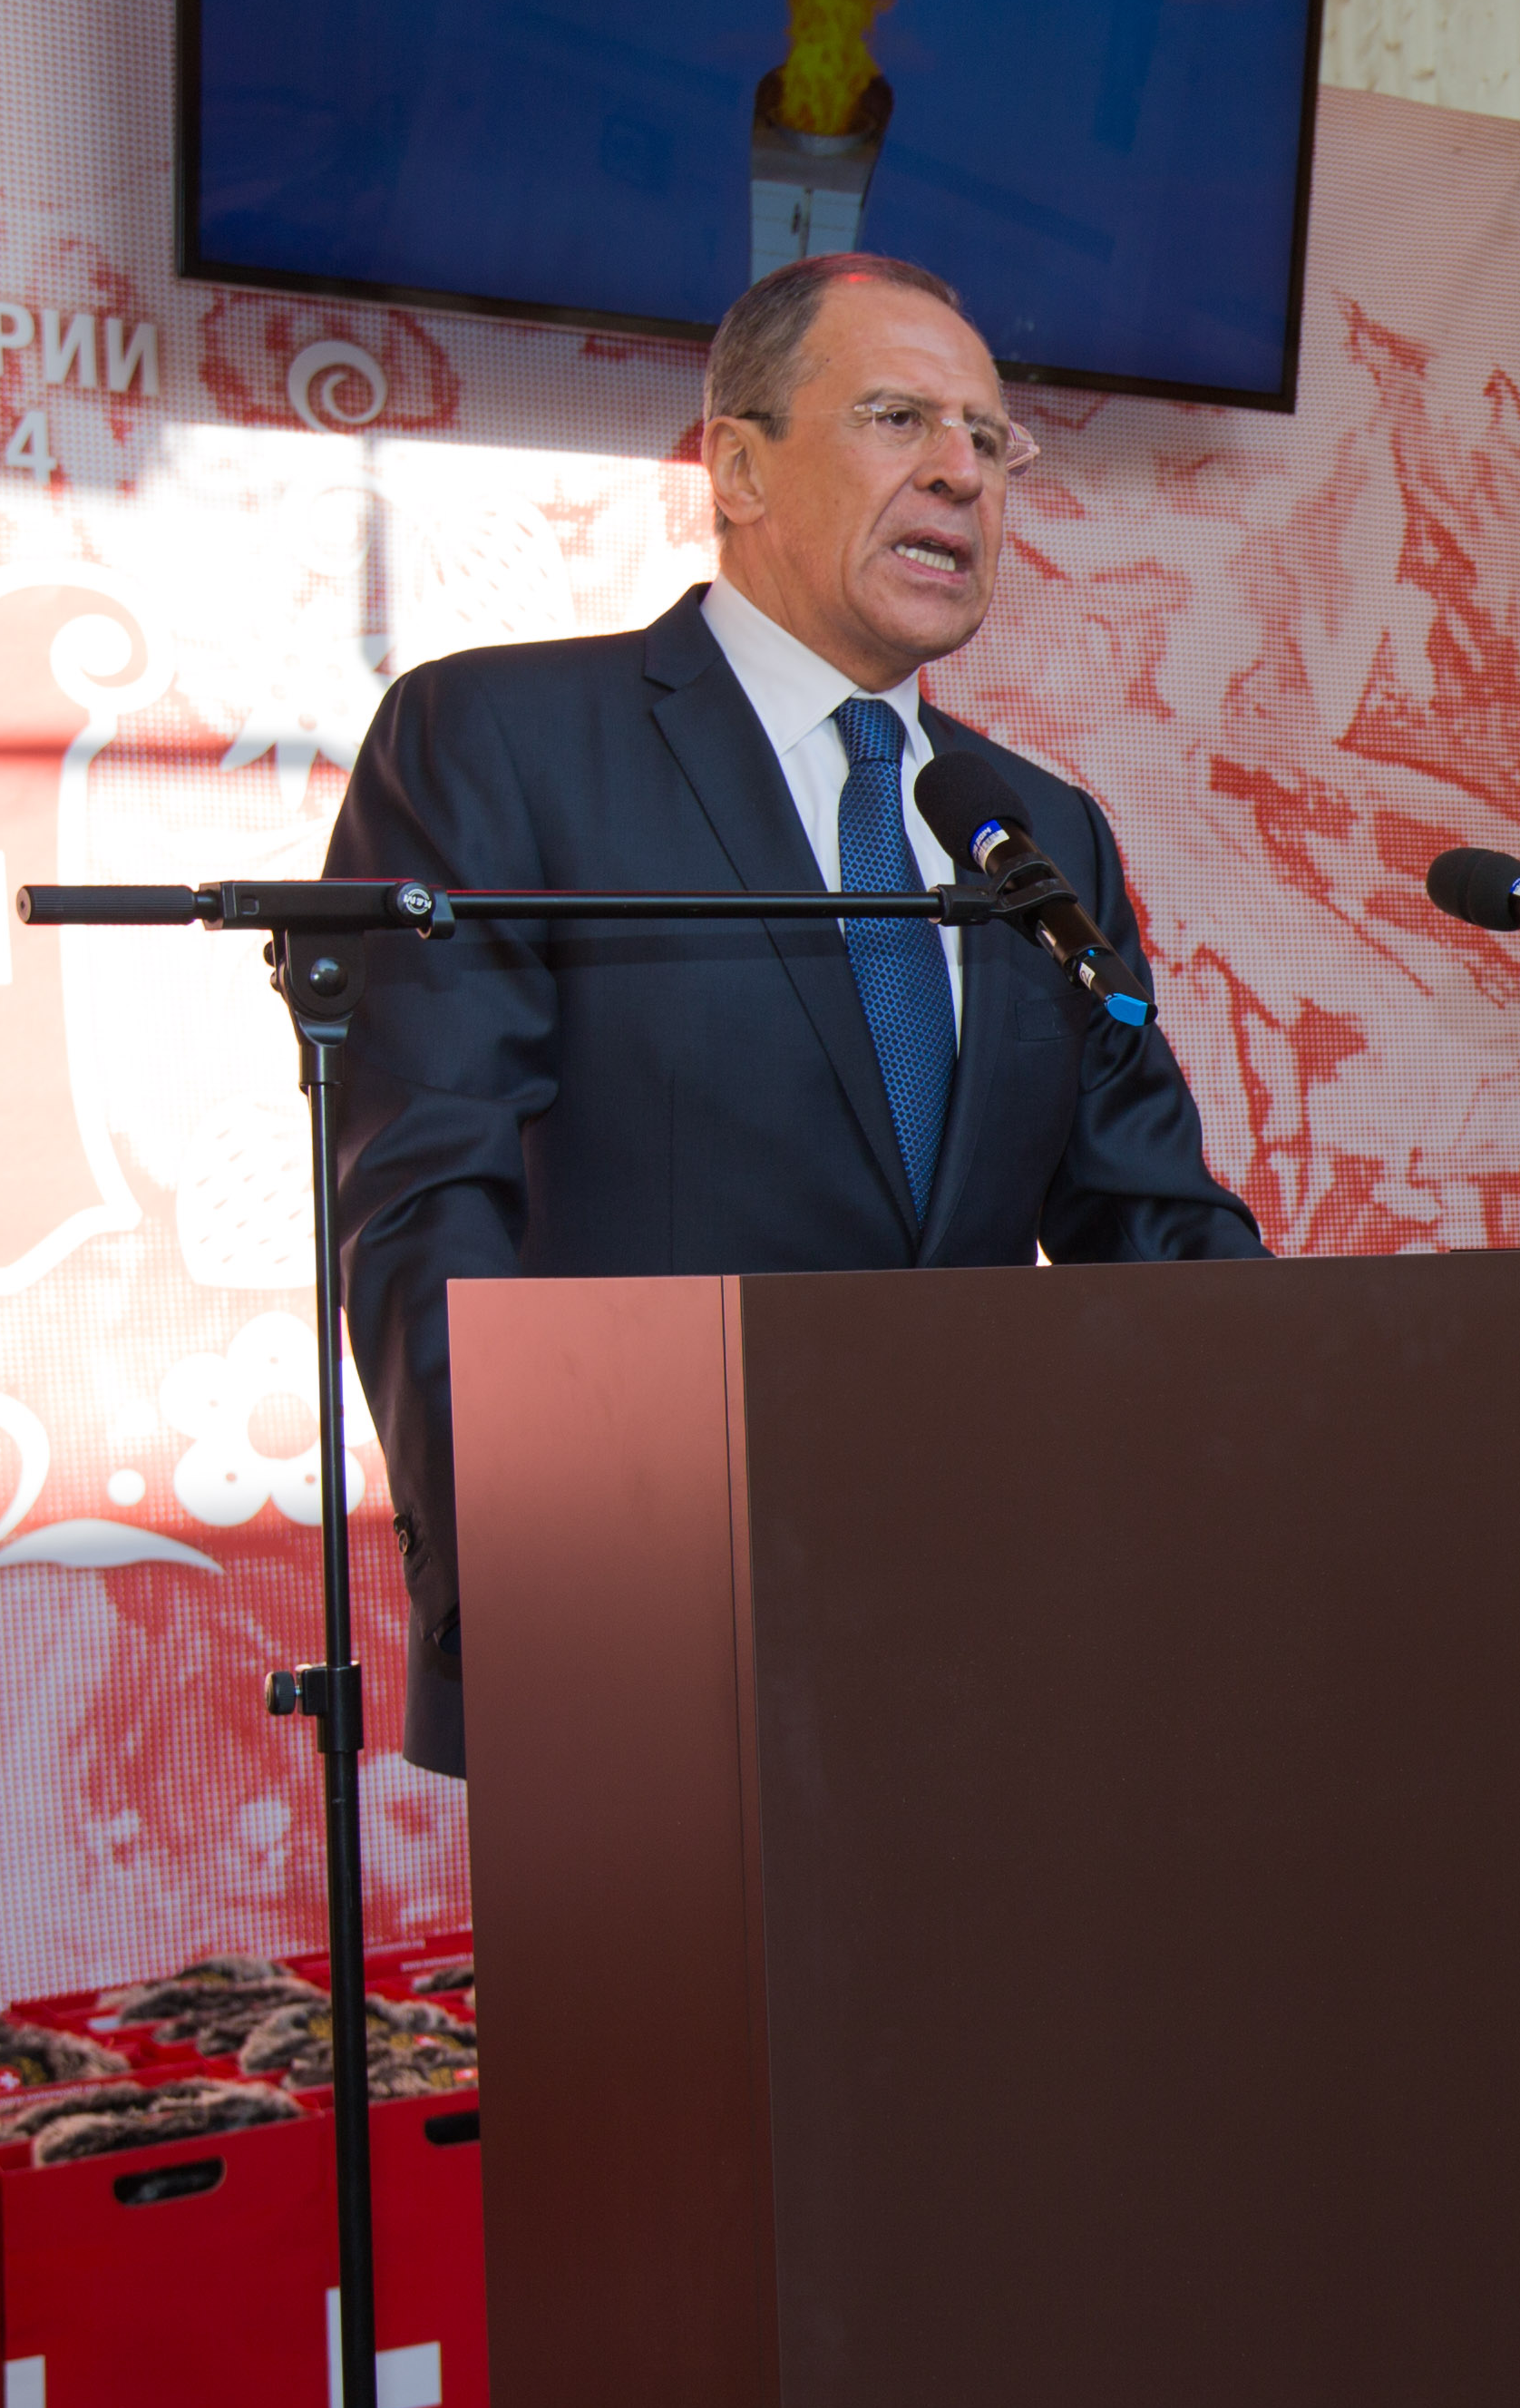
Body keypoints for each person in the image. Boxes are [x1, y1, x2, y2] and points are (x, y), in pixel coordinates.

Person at [325, 251, 1266, 1777]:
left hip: (1003, 1657)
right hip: (646, 1642)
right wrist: (534, 1589)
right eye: (900, 419)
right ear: (739, 465)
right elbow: (426, 1212)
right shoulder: (501, 741)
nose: (962, 473)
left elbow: (1150, 1222)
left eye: (990, 437)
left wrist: (1318, 1453)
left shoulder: (1034, 828)